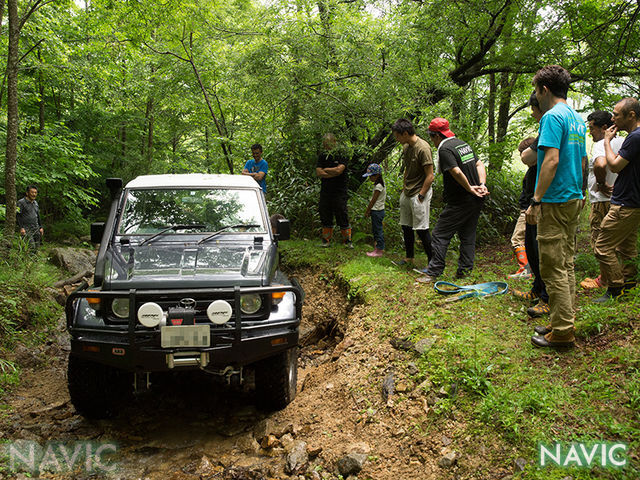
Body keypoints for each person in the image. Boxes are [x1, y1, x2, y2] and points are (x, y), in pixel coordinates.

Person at [527, 65, 587, 349]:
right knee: (566, 263)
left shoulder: (551, 117)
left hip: (555, 199)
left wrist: (536, 200)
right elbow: (583, 161)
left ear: (545, 90)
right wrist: (581, 190)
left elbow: (550, 161)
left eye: (537, 90)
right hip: (574, 197)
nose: (536, 96)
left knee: (552, 267)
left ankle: (563, 331)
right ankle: (561, 318)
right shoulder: (577, 119)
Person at [415, 117, 488, 283]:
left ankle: (434, 272)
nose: (432, 141)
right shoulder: (463, 144)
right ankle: (465, 271)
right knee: (467, 235)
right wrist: (482, 184)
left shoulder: (445, 149)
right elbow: (479, 164)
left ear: (437, 136)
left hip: (461, 200)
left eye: (432, 137)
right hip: (477, 198)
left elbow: (455, 171)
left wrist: (469, 187)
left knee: (440, 234)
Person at [593, 98, 640, 302]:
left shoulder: (635, 137)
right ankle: (630, 283)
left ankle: (615, 288)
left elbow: (613, 165)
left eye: (617, 114)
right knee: (627, 246)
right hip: (633, 201)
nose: (612, 118)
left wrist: (606, 141)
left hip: (626, 202)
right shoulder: (635, 137)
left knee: (602, 246)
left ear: (631, 115)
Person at [511, 92, 550, 319]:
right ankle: (537, 288)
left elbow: (529, 156)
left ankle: (546, 295)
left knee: (542, 252)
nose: (533, 114)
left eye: (534, 110)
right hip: (531, 205)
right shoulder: (543, 130)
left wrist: (535, 201)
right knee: (531, 248)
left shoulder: (550, 125)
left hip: (541, 204)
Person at [580, 110, 624, 290]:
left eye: (592, 128)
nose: (590, 133)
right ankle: (621, 276)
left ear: (604, 127)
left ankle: (605, 280)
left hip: (602, 200)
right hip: (619, 199)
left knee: (600, 240)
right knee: (618, 242)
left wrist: (601, 182)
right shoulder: (623, 142)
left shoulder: (601, 144)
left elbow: (600, 164)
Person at [391, 118, 434, 267]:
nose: (396, 139)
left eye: (397, 136)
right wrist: (404, 187)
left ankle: (432, 263)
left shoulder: (423, 148)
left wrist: (421, 194)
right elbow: (408, 169)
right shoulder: (406, 147)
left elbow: (430, 175)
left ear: (405, 133)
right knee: (406, 226)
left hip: (420, 192)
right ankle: (409, 258)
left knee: (422, 229)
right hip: (407, 191)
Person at [316, 133, 352, 247]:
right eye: (325, 145)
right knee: (325, 213)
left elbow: (339, 170)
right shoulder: (322, 156)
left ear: (334, 142)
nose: (327, 147)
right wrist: (332, 172)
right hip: (326, 191)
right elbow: (319, 172)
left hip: (339, 190)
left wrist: (326, 170)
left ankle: (347, 241)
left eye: (329, 144)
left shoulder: (342, 154)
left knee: (341, 213)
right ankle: (326, 241)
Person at [363, 163, 386, 257]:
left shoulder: (379, 186)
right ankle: (377, 249)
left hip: (377, 211)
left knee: (378, 231)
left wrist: (367, 210)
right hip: (376, 210)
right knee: (376, 230)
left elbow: (373, 200)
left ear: (377, 175)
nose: (370, 178)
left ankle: (379, 250)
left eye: (371, 176)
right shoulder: (378, 185)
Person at [16, 185, 44, 251]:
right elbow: (18, 216)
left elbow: (38, 215)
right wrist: (21, 227)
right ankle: (26, 260)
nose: (34, 194)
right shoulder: (21, 202)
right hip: (26, 228)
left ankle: (34, 261)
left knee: (37, 247)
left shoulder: (35, 203)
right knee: (31, 246)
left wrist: (41, 227)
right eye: (32, 192)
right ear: (27, 193)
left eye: (35, 192)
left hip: (36, 228)